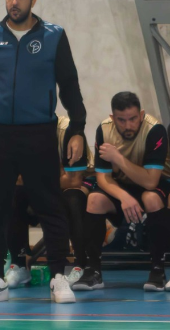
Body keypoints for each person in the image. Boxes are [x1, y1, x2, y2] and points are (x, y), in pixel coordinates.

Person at [0, 0, 87, 304]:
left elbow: (70, 85)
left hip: (39, 133)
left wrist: (77, 129)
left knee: (50, 206)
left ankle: (58, 277)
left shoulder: (54, 36)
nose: (14, 2)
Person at [73, 91, 170, 291]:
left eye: (133, 119)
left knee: (151, 198)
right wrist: (124, 196)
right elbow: (103, 178)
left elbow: (151, 181)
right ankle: (93, 270)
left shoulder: (155, 130)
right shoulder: (104, 129)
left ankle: (157, 270)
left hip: (151, 185)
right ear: (112, 117)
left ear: (141, 115)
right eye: (122, 120)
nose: (128, 125)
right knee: (94, 200)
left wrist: (118, 158)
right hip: (120, 187)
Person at [4, 115, 94, 289]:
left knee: (73, 198)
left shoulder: (68, 131)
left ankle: (80, 264)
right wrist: (51, 175)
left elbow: (73, 180)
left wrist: (36, 177)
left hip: (76, 186)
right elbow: (16, 179)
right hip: (47, 186)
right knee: (14, 195)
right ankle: (20, 264)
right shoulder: (18, 132)